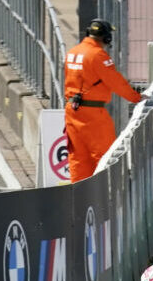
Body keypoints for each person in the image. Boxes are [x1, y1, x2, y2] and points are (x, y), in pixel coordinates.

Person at [61, 20, 145, 181]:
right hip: (93, 113)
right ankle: (107, 194)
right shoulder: (98, 55)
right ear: (106, 38)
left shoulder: (73, 52)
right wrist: (137, 97)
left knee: (78, 156)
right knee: (105, 155)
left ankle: (79, 195)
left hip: (72, 110)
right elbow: (116, 82)